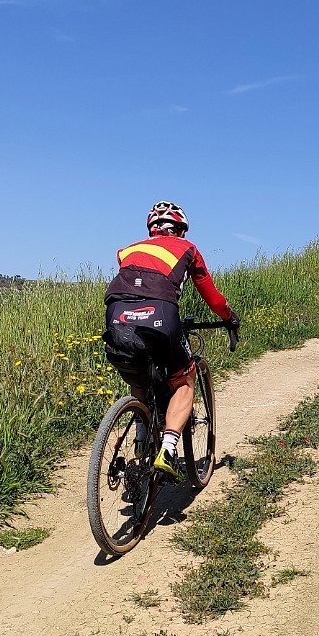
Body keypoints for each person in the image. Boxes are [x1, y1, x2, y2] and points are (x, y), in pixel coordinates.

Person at [103, 201, 238, 482]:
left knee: (138, 373)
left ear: (151, 230)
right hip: (160, 313)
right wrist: (229, 317)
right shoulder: (188, 250)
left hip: (116, 313)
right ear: (180, 230)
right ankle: (167, 449)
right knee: (184, 381)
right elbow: (211, 296)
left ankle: (141, 433)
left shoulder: (126, 251)